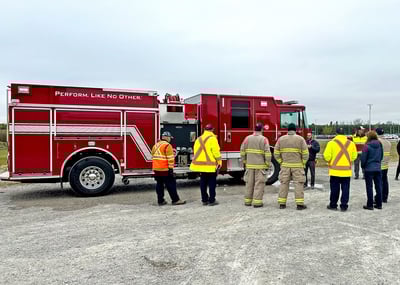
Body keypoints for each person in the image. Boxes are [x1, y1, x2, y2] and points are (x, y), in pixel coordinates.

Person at [274, 123, 309, 210]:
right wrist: (303, 163)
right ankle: (299, 204)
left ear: (287, 130)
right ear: (295, 130)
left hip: (285, 166)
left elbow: (276, 153)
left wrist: (281, 162)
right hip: (297, 166)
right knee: (299, 184)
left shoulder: (281, 139)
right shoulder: (300, 139)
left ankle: (282, 203)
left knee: (284, 184)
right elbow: (305, 153)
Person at [324, 127, 357, 211]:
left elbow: (327, 156)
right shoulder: (351, 143)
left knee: (335, 189)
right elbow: (354, 157)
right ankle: (344, 205)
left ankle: (333, 205)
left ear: (336, 133)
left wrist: (331, 161)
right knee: (345, 189)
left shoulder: (331, 143)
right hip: (346, 171)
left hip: (335, 171)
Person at [240, 123, 271, 208]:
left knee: (249, 184)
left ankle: (248, 201)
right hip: (260, 167)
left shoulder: (247, 138)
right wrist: (267, 164)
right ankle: (257, 203)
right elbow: (267, 153)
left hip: (249, 166)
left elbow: (242, 151)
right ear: (261, 130)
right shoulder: (264, 139)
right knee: (259, 184)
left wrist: (245, 161)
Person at [190, 124, 222, 206]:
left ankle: (204, 199)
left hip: (200, 166)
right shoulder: (212, 139)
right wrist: (219, 162)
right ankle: (212, 200)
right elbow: (216, 152)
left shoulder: (198, 139)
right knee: (212, 183)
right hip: (210, 166)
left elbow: (195, 151)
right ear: (212, 130)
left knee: (203, 183)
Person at [151, 131, 186, 206]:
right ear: (167, 137)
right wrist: (170, 169)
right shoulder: (167, 145)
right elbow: (170, 158)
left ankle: (160, 201)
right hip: (165, 169)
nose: (170, 139)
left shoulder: (156, 145)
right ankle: (175, 200)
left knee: (159, 184)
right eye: (170, 138)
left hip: (156, 169)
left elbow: (153, 155)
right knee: (171, 185)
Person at [361, 130, 383, 210]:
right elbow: (381, 155)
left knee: (369, 187)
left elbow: (363, 158)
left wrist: (363, 166)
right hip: (378, 167)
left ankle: (370, 204)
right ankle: (379, 203)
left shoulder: (366, 146)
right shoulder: (380, 145)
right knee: (378, 186)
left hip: (369, 168)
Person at [376, 128, 391, 203]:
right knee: (385, 181)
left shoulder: (378, 142)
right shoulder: (388, 142)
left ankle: (379, 197)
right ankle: (385, 197)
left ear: (377, 133)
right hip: (386, 164)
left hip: (379, 165)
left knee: (379, 182)